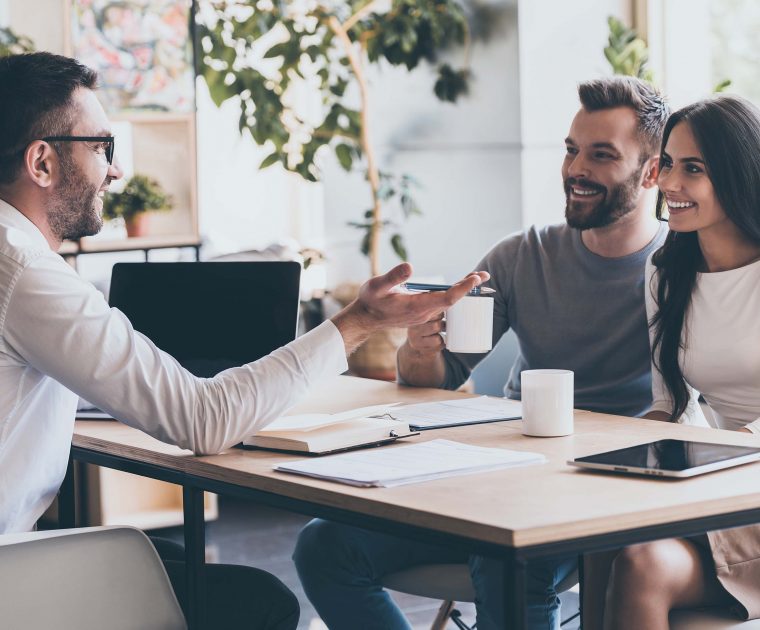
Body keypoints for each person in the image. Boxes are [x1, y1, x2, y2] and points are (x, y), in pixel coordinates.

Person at [0, 51, 488, 629]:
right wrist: (358, 321)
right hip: (12, 573)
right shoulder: (26, 271)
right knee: (259, 603)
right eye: (103, 147)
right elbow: (204, 421)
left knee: (174, 561)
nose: (115, 171)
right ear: (42, 162)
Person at [293, 76, 671, 629]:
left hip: (604, 486)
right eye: (570, 150)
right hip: (501, 470)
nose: (575, 169)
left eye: (601, 155)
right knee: (324, 546)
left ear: (652, 172)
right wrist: (421, 346)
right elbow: (438, 378)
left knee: (506, 558)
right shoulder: (523, 255)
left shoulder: (681, 267)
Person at [594, 95, 760, 630]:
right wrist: (619, 456)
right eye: (668, 162)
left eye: (694, 168)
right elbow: (670, 404)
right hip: (721, 483)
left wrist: (719, 459)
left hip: (737, 486)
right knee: (597, 537)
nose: (670, 182)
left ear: (738, 174)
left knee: (637, 561)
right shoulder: (666, 272)